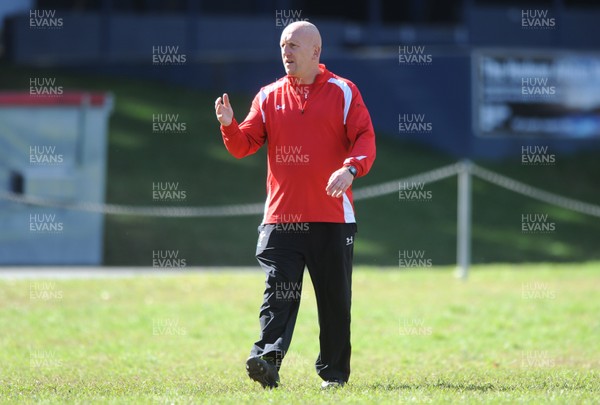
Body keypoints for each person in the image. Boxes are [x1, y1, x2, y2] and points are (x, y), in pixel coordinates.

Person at [214, 21, 376, 389]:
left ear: (316, 52)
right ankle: (267, 360)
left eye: (294, 46)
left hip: (332, 218)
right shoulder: (269, 95)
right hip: (281, 220)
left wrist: (351, 168)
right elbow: (244, 145)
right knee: (279, 292)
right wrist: (229, 126)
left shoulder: (344, 91)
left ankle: (333, 375)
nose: (286, 52)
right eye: (283, 45)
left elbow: (365, 137)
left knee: (334, 300)